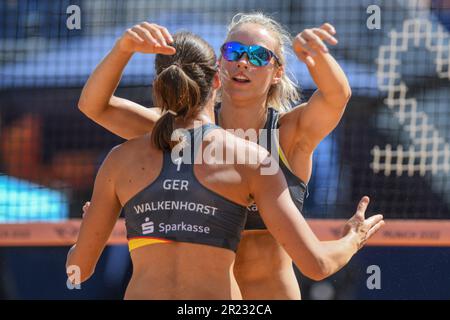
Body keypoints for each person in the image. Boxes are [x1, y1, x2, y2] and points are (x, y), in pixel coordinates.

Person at [77, 13, 358, 299]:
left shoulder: (288, 133)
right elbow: (94, 106)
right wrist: (123, 47)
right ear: (219, 64)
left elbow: (337, 97)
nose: (243, 62)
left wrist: (317, 55)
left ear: (277, 71)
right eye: (233, 51)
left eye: (259, 56)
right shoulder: (184, 129)